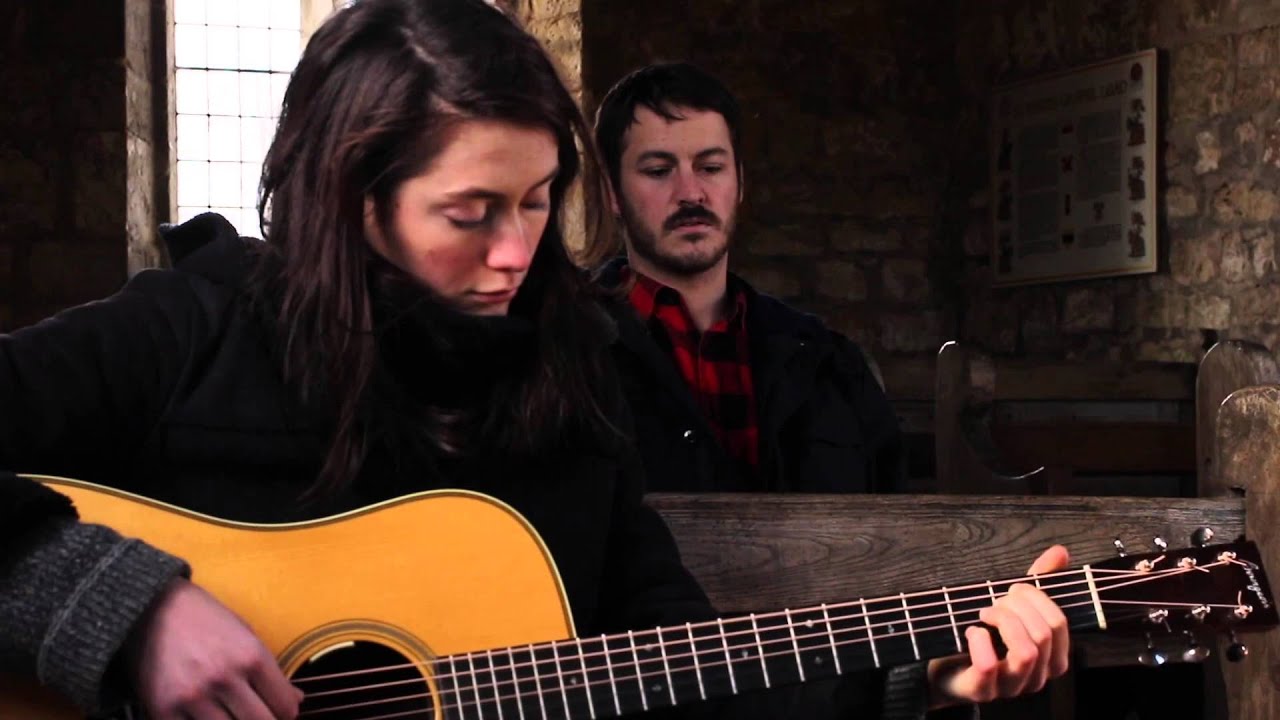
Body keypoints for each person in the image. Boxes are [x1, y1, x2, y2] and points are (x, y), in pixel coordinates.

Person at [0, 3, 1069, 719]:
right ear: (350, 200)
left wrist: (918, 672)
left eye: (537, 198)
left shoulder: (575, 368)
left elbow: (679, 665)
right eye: (468, 213)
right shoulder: (195, 325)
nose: (517, 254)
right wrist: (112, 608)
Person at [587, 61, 902, 495]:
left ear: (740, 183)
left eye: (710, 167)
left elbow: (897, 527)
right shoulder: (566, 351)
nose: (691, 193)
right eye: (659, 171)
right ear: (612, 195)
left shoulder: (827, 363)